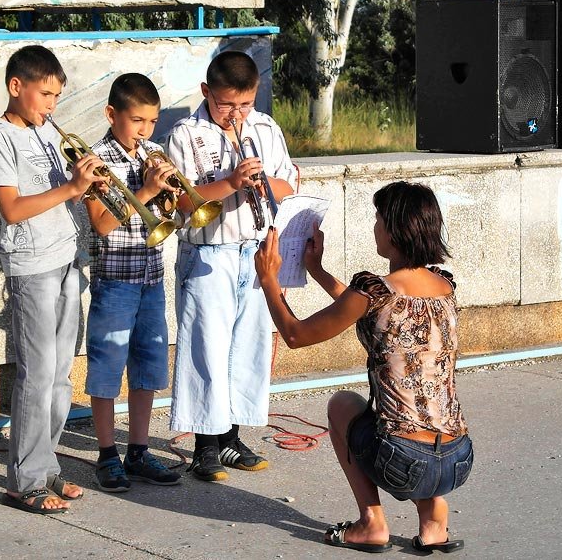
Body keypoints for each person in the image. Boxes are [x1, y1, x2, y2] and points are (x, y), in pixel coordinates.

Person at [255, 181, 473, 553]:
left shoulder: (376, 291)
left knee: (342, 404)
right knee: (425, 425)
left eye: (378, 218)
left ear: (394, 230)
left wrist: (268, 279)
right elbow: (369, 311)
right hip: (457, 460)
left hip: (402, 461)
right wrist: (318, 270)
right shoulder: (444, 286)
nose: (374, 226)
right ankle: (434, 523)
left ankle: (371, 522)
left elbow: (295, 335)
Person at [0, 45, 107, 514]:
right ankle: (24, 481)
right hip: (31, 262)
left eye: (57, 96)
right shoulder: (0, 138)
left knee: (58, 375)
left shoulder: (48, 131)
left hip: (67, 256)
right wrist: (72, 188)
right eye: (45, 94)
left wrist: (90, 182)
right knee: (35, 374)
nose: (52, 105)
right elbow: (12, 209)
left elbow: (66, 193)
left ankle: (47, 466)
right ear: (17, 87)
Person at [165, 50, 297, 481]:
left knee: (248, 345)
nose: (237, 114)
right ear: (206, 92)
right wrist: (231, 182)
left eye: (245, 104)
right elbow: (182, 200)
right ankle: (205, 442)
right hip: (210, 252)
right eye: (226, 105)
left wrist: (263, 182)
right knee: (207, 345)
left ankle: (231, 438)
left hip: (255, 249)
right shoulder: (186, 133)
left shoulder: (265, 126)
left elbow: (289, 181)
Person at [84, 73, 181, 492]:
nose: (145, 131)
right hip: (115, 280)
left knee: (148, 365)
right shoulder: (94, 159)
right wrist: (145, 190)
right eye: (137, 120)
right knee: (107, 367)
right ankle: (107, 454)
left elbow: (165, 216)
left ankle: (138, 450)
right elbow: (103, 223)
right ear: (112, 114)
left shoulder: (155, 153)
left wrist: (173, 200)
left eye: (152, 121)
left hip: (151, 276)